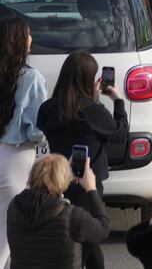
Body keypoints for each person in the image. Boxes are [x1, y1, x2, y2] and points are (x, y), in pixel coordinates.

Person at [35, 50, 124, 269]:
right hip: (87, 185)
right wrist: (117, 101)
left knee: (73, 243)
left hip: (58, 183)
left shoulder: (48, 109)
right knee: (89, 244)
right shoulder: (93, 112)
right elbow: (119, 134)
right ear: (88, 80)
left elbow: (44, 123)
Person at [0, 17, 48, 269]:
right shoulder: (31, 78)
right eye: (28, 34)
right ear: (19, 41)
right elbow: (37, 129)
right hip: (16, 158)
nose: (31, 39)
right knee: (8, 234)